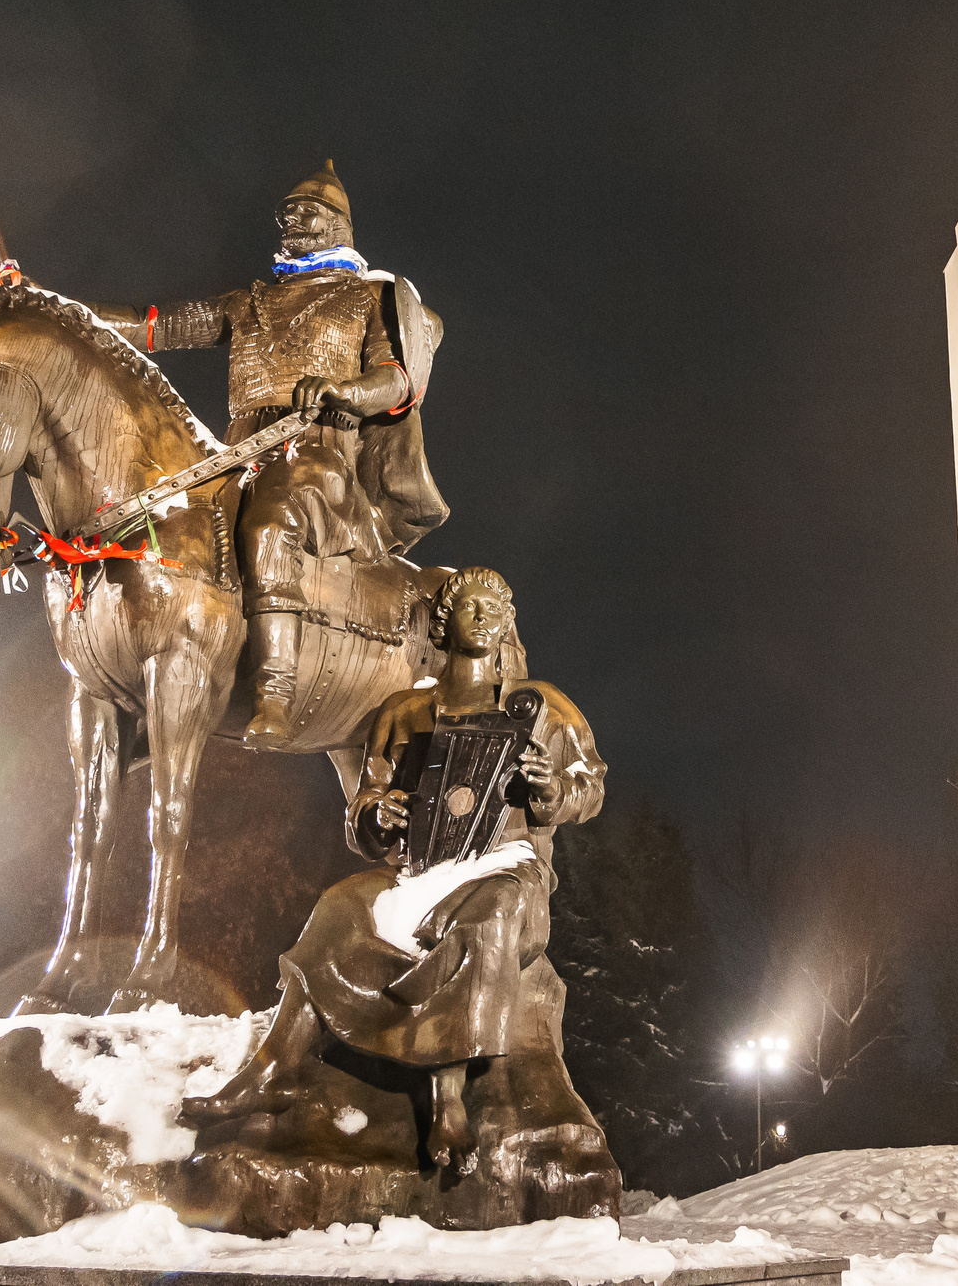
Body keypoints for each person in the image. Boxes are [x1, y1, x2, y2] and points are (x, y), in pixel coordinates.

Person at [181, 567, 605, 1169]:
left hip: (507, 870)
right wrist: (380, 815)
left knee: (493, 909)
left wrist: (552, 787)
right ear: (443, 622)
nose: (482, 617)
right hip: (421, 871)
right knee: (341, 904)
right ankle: (275, 1067)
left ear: (508, 622)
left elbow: (590, 786)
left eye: (494, 608)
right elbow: (366, 809)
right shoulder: (406, 712)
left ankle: (449, 1096)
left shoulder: (542, 708)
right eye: (468, 607)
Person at [89, 163, 444, 743]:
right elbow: (159, 326)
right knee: (163, 524)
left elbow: (399, 378)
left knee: (270, 522)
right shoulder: (250, 300)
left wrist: (345, 392)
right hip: (236, 453)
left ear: (340, 225)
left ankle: (274, 693)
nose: (292, 221)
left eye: (308, 212)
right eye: (287, 212)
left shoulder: (371, 295)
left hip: (320, 458)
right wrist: (61, 312)